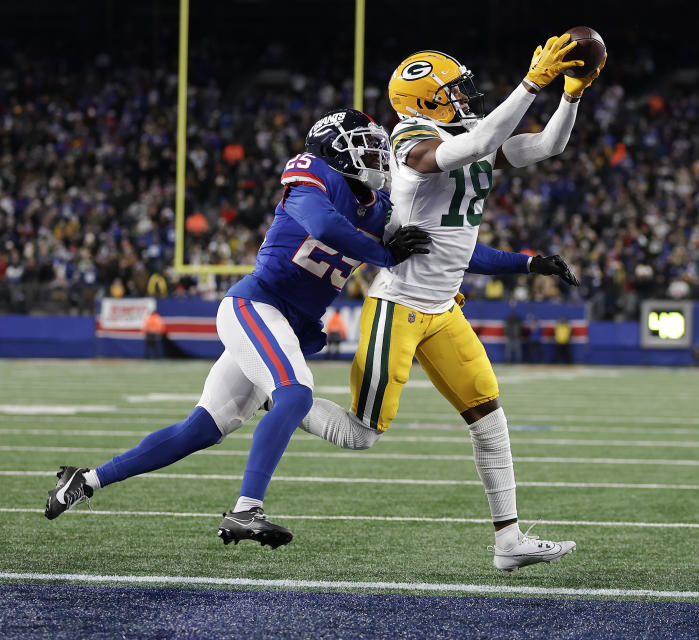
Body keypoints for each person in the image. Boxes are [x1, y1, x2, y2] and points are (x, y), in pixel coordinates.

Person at [43, 109, 433, 548]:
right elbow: (324, 225)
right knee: (295, 392)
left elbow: (444, 250)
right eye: (362, 143)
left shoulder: (381, 210)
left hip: (286, 322)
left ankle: (86, 480)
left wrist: (526, 263)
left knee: (201, 430)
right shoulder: (312, 174)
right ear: (332, 149)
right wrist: (385, 254)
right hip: (256, 304)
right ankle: (247, 509)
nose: (376, 153)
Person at [297, 36, 602, 572]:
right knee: (360, 433)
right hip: (400, 305)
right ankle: (273, 397)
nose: (466, 94)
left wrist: (570, 97)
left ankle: (508, 542)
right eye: (454, 89)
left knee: (488, 417)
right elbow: (478, 141)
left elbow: (545, 147)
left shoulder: (467, 133)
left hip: (443, 308)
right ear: (425, 99)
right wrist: (532, 83)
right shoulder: (409, 139)